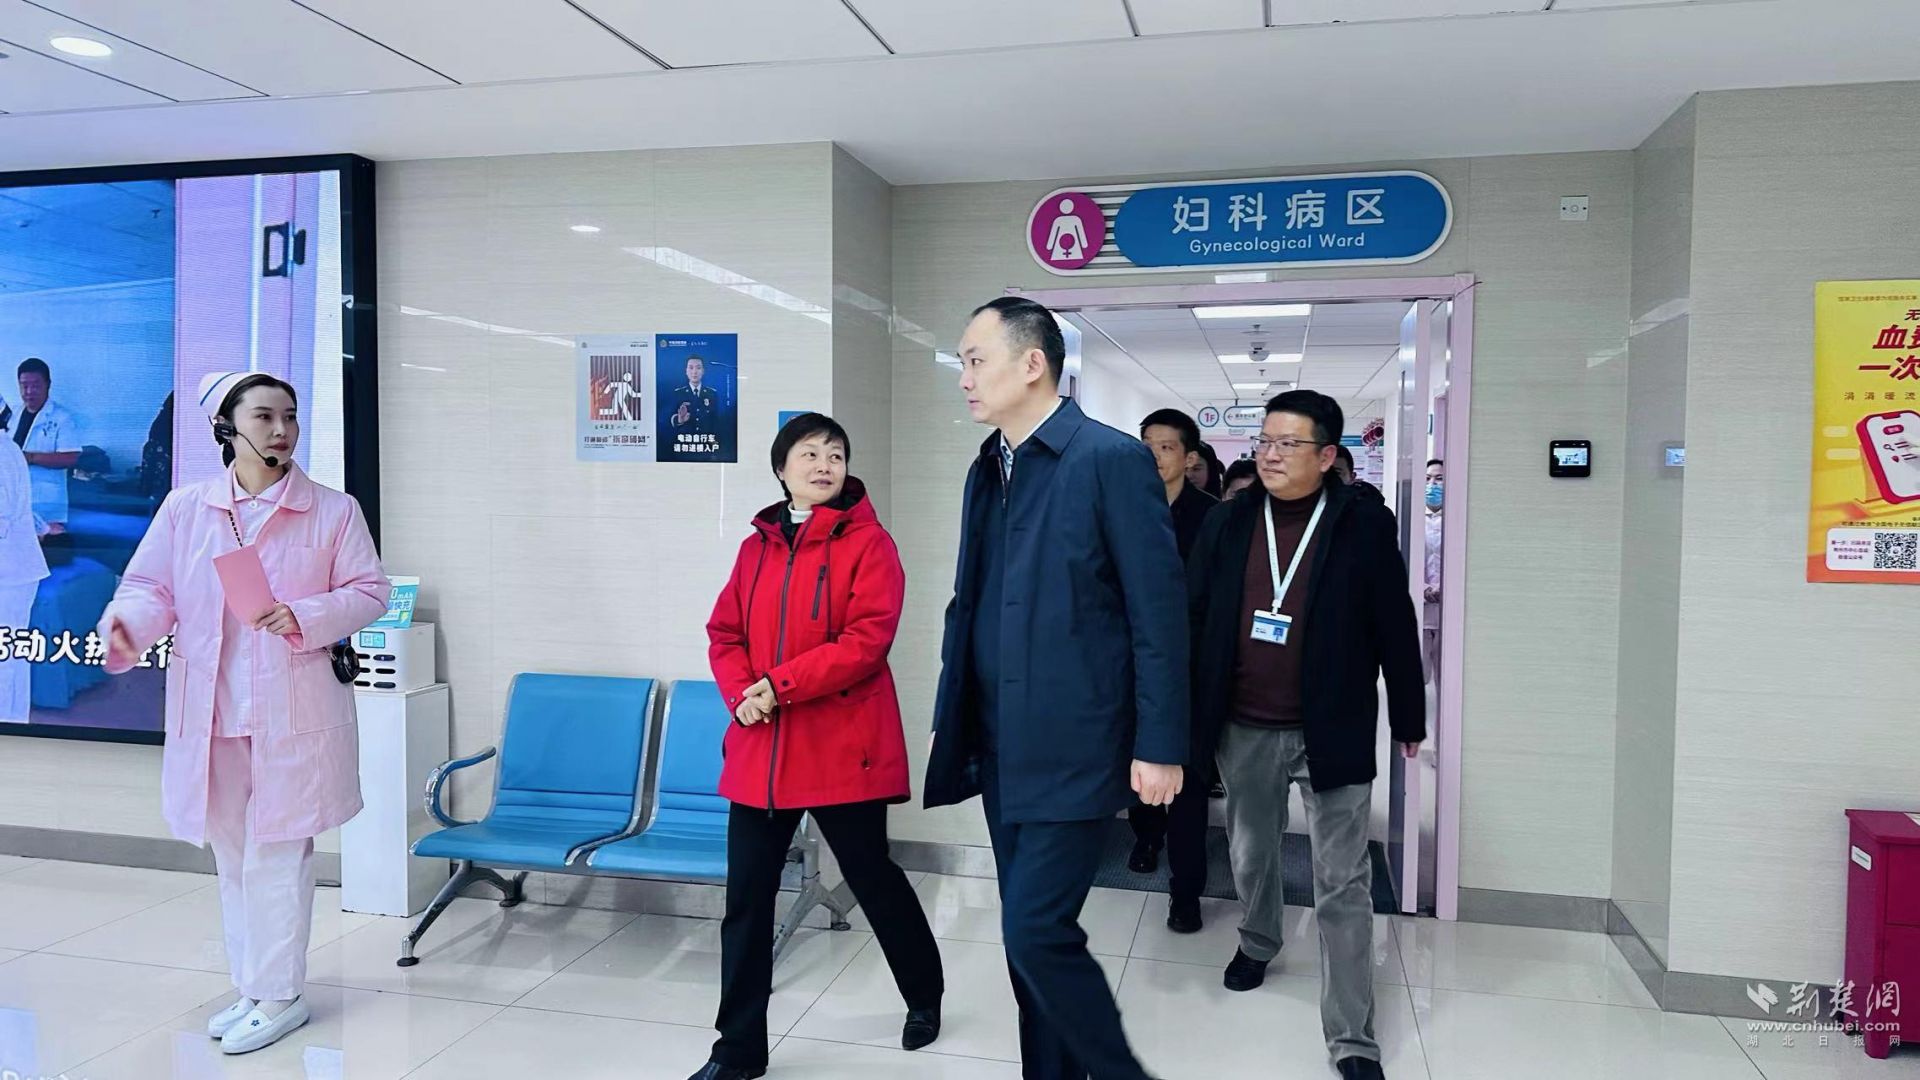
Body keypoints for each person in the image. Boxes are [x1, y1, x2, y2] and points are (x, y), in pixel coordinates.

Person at [926, 296, 1187, 1080]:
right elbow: (970, 600)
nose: (965, 378)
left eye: (976, 360)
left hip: (1076, 742)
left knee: (1036, 931)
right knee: (1026, 940)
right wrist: (951, 710)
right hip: (999, 740)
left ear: (1032, 363)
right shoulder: (989, 467)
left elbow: (1157, 614)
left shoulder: (1109, 460)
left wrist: (1160, 743)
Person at [96, 371, 388, 1056]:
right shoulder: (186, 509)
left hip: (292, 712)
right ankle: (251, 987)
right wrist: (128, 626)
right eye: (264, 417)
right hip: (213, 712)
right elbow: (149, 586)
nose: (281, 430)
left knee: (280, 854)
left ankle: (281, 995)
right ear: (226, 427)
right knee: (232, 857)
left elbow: (369, 590)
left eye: (290, 416)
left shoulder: (332, 510)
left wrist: (306, 614)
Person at [693, 412, 944, 1080]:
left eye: (835, 454)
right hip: (762, 752)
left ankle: (924, 994)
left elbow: (866, 643)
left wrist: (779, 686)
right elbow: (724, 633)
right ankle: (736, 1051)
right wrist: (742, 692)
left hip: (841, 749)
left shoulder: (870, 543)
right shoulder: (755, 548)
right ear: (782, 469)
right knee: (747, 903)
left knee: (872, 879)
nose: (824, 465)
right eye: (808, 454)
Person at [1184, 390, 1425, 1080]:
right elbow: (1192, 616)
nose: (1269, 454)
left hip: (1333, 723)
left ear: (1326, 456)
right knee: (1251, 851)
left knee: (1342, 879)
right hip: (1244, 724)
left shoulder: (1362, 525)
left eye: (1287, 443)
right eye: (1264, 441)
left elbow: (1394, 621)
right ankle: (1258, 940)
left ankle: (1351, 1036)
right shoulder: (1229, 521)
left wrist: (1409, 715)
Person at [1129, 408, 1217, 932]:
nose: (1154, 456)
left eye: (1165, 447)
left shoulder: (1212, 517)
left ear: (1188, 457)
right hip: (1132, 666)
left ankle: (1186, 891)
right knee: (1138, 765)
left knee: (1189, 779)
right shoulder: (1121, 508)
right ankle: (1145, 836)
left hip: (1191, 669)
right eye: (1146, 445)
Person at [0, 429, 49, 724]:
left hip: (9, 574)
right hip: (13, 570)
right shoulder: (7, 449)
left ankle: (9, 725)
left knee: (6, 658)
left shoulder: (2, 452)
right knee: (11, 656)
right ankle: (14, 723)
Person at [13, 358, 82, 565]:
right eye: (24, 386)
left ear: (48, 385)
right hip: (16, 496)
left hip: (46, 500)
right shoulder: (13, 414)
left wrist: (30, 458)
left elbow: (71, 457)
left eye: (35, 385)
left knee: (45, 551)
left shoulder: (62, 418)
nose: (29, 392)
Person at [1423, 459, 1445, 682]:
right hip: (1420, 608)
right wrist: (1424, 588)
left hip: (1447, 611)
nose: (1433, 484)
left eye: (1439, 479)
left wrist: (1443, 587)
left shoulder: (1456, 519)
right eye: (1428, 478)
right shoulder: (1412, 519)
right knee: (1418, 676)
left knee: (1446, 678)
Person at [669, 355, 718, 435]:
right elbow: (668, 418)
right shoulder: (678, 393)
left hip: (706, 439)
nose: (694, 372)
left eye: (698, 368)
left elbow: (716, 420)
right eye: (691, 368)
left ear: (703, 371)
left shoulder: (712, 393)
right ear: (686, 371)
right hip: (685, 439)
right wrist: (679, 420)